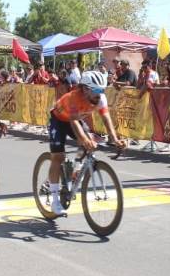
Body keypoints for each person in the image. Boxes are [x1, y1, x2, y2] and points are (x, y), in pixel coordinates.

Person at [45, 71, 126, 216]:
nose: (99, 94)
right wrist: (85, 140)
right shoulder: (74, 98)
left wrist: (115, 139)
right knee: (58, 157)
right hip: (59, 120)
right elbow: (74, 122)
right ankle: (55, 200)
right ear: (85, 88)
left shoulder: (101, 98)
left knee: (90, 141)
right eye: (96, 90)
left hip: (74, 119)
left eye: (102, 90)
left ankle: (74, 171)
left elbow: (106, 119)